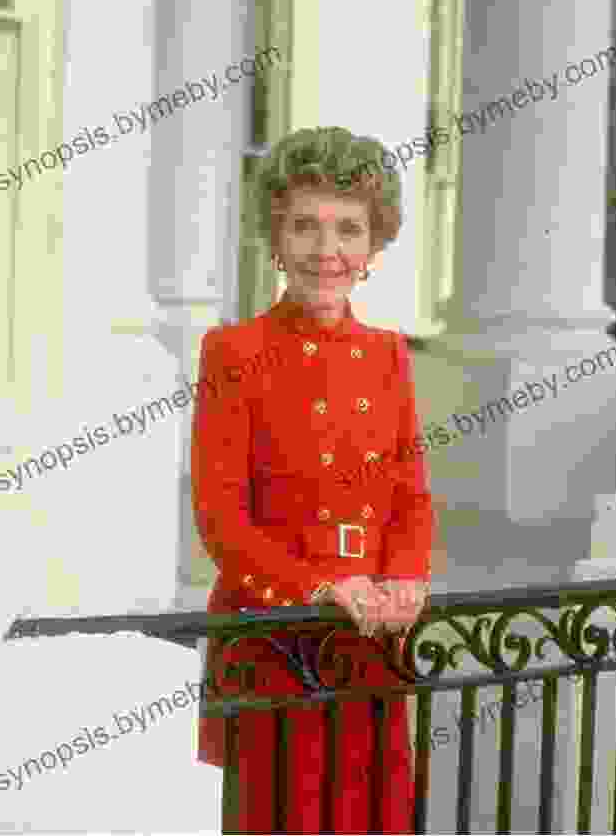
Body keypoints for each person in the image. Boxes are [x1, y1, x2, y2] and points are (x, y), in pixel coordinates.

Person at [191, 125, 436, 834]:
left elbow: (409, 493)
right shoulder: (233, 351)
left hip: (369, 642)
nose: (326, 251)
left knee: (371, 817)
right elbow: (222, 521)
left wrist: (407, 576)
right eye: (304, 225)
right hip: (273, 642)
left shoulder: (388, 353)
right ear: (275, 235)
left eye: (348, 229)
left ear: (373, 247)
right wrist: (320, 588)